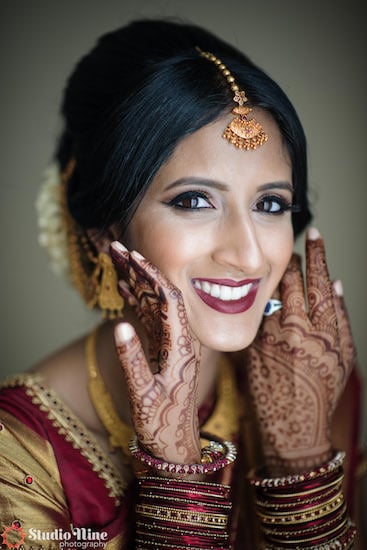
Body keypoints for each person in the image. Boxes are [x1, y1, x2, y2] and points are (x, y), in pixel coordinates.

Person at [0, 18, 365, 550]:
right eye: (194, 201)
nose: (246, 254)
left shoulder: (313, 391)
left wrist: (303, 464)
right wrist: (177, 488)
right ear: (106, 231)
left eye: (270, 204)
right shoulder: (19, 453)